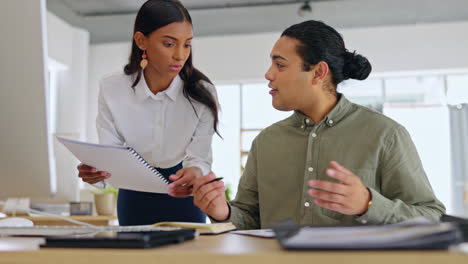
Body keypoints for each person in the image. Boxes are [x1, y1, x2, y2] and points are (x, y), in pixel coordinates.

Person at [192, 20, 445, 229]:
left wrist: (368, 204)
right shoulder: (266, 142)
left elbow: (431, 216)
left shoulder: (386, 135)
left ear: (318, 72)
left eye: (280, 65)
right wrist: (223, 212)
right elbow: (249, 218)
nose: (268, 74)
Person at [77, 0, 219, 226]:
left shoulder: (202, 93)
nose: (180, 55)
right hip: (134, 198)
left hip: (183, 197)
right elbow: (110, 150)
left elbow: (199, 157)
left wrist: (195, 171)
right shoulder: (112, 88)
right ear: (141, 41)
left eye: (187, 45)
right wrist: (97, 171)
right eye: (169, 44)